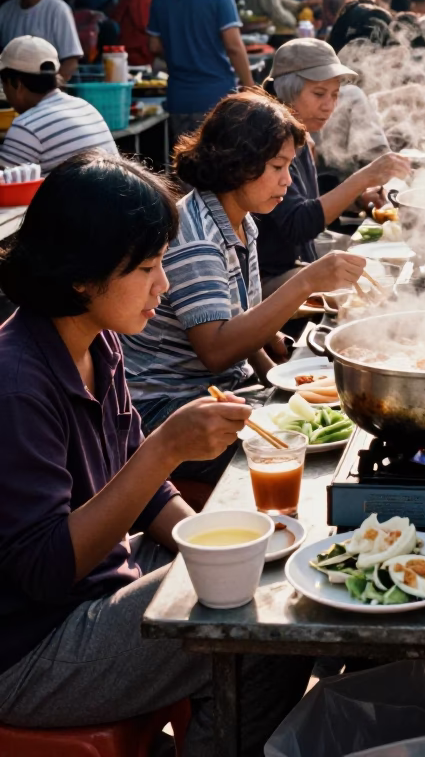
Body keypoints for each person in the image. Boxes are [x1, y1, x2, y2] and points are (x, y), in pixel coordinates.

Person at [0, 152, 312, 753]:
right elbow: (44, 569)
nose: (163, 286)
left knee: (265, 571)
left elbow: (140, 493)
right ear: (81, 276)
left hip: (97, 585)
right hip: (31, 650)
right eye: (147, 268)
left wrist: (219, 543)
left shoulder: (99, 342)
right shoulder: (17, 384)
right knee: (276, 622)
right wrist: (163, 450)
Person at [122, 90, 366, 479]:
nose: (287, 180)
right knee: (300, 454)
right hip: (167, 409)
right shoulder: (196, 236)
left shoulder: (240, 218)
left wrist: (276, 376)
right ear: (237, 165)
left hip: (220, 390)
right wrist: (306, 282)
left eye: (290, 166)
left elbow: (239, 319)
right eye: (277, 167)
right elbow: (217, 350)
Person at [256, 40, 411, 293]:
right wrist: (364, 177)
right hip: (269, 280)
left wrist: (357, 198)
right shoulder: (269, 140)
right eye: (319, 94)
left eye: (335, 95)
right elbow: (298, 224)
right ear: (287, 92)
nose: (329, 105)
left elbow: (309, 199)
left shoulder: (301, 136)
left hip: (301, 262)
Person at [147, 0, 254, 142]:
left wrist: (181, 56)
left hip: (178, 100)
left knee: (187, 167)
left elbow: (154, 46)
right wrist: (252, 88)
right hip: (216, 99)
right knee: (219, 168)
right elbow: (234, 47)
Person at [0, 36, 117, 171]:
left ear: (16, 84)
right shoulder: (85, 107)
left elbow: (5, 186)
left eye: (4, 84)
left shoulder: (27, 127)